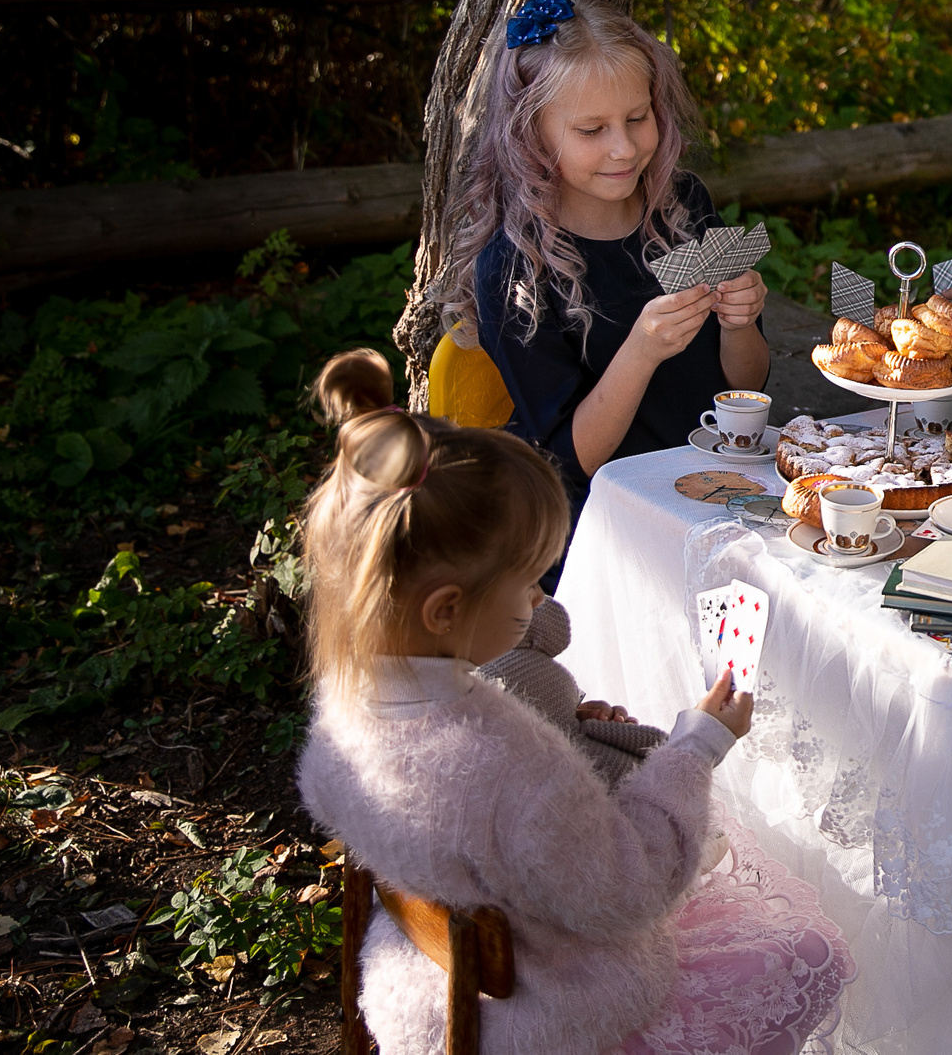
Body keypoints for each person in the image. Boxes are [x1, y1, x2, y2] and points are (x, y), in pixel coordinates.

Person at [295, 348, 851, 1055]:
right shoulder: (502, 757)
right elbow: (629, 889)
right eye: (527, 582)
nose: (539, 600)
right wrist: (696, 745)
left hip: (415, 990)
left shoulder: (346, 704)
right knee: (809, 954)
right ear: (444, 609)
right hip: (541, 1015)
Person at [450, 0, 768, 520]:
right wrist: (641, 351)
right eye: (592, 130)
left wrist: (740, 323)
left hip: (718, 487)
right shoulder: (516, 267)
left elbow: (747, 387)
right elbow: (573, 461)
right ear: (529, 134)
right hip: (605, 524)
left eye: (638, 118)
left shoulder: (682, 208)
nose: (623, 148)